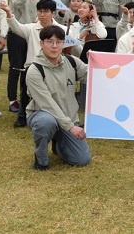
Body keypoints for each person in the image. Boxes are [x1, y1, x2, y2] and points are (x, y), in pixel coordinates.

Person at [27, 26, 91, 170]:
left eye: (59, 42)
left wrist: (94, 61)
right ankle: (41, 158)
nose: (54, 46)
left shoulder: (71, 62)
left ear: (64, 43)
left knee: (82, 159)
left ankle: (59, 142)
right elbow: (47, 104)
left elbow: (94, 75)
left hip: (68, 117)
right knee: (46, 122)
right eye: (50, 41)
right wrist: (70, 127)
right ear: (41, 43)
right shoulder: (34, 70)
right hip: (43, 114)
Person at [2, 0, 62, 128]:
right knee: (26, 87)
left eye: (46, 11)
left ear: (53, 13)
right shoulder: (31, 28)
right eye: (39, 11)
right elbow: (16, 27)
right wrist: (8, 12)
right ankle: (22, 116)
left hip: (54, 67)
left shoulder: (61, 29)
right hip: (33, 67)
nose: (42, 14)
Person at [7, 0, 44, 114]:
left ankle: (25, 97)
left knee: (29, 67)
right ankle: (12, 100)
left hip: (32, 32)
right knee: (16, 66)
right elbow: (17, 3)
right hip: (17, 31)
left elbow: (40, 9)